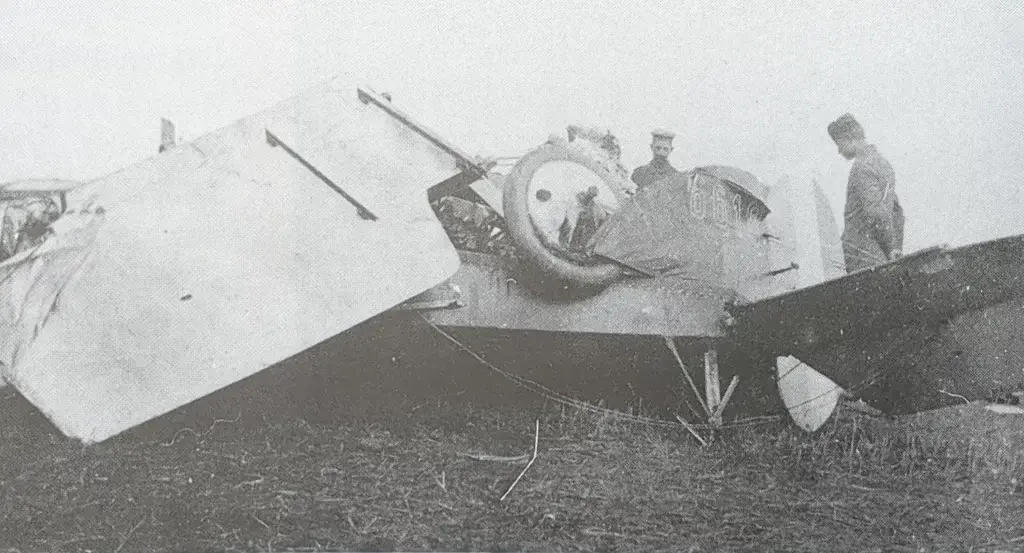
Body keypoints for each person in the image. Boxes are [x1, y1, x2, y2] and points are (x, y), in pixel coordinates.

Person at [828, 113, 905, 272]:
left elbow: (875, 213)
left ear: (849, 138)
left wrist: (890, 248)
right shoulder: (883, 163)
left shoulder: (862, 167)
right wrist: (895, 247)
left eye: (839, 143)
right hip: (879, 255)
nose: (839, 150)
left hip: (863, 257)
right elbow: (897, 212)